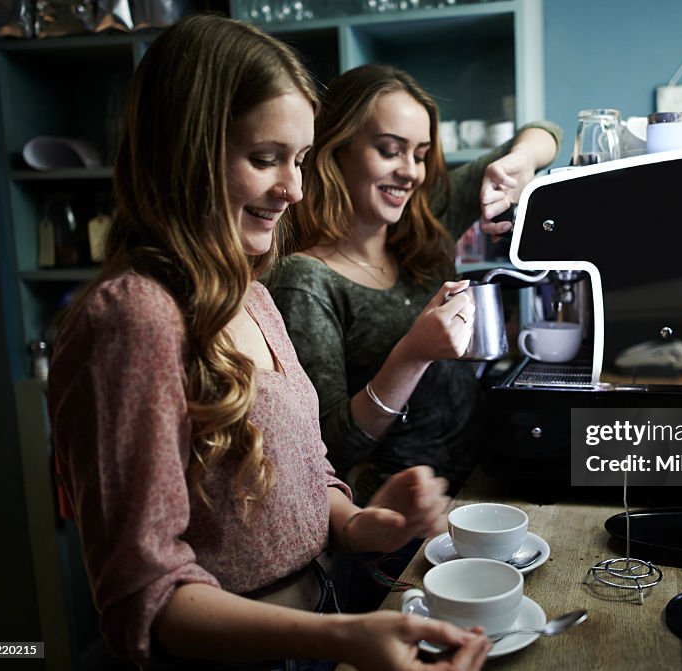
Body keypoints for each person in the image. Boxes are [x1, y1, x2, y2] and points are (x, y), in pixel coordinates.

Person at [46, 15, 490, 671]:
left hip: (320, 622)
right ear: (186, 153)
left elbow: (309, 466)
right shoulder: (133, 318)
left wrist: (356, 521)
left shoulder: (251, 292)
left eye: (301, 160)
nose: (296, 189)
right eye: (265, 160)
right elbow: (143, 594)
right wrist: (342, 639)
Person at [265, 64, 561, 507]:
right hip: (401, 519)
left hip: (479, 485)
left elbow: (546, 133)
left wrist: (521, 161)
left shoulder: (425, 220)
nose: (411, 173)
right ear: (336, 150)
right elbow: (330, 451)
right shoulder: (303, 281)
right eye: (390, 150)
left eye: (420, 155)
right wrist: (412, 354)